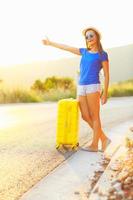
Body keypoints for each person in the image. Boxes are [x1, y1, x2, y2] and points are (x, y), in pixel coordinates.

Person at [42, 27, 111, 152]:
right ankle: (104, 139)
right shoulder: (84, 51)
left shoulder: (102, 55)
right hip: (81, 86)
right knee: (85, 116)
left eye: (91, 36)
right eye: (87, 37)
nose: (89, 38)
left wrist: (105, 93)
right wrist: (50, 43)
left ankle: (95, 145)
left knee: (95, 116)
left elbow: (106, 74)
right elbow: (66, 47)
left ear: (97, 38)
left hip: (93, 86)